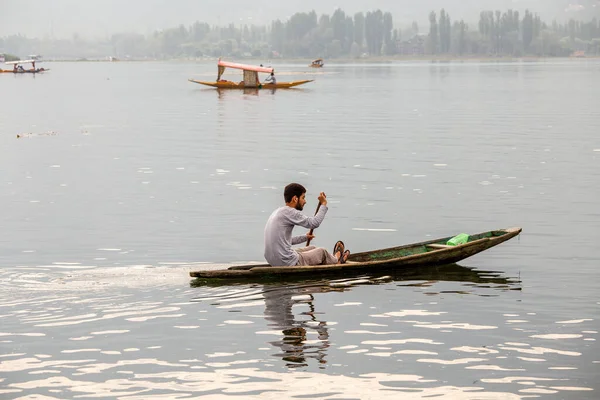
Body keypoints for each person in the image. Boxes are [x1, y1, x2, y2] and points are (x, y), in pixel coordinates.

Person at [264, 183, 349, 267]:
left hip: (273, 259)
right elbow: (314, 223)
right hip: (286, 261)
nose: (305, 201)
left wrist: (305, 237)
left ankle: (330, 259)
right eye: (303, 198)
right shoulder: (291, 212)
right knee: (322, 252)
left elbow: (285, 241)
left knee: (312, 248)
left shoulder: (278, 212)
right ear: (295, 199)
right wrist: (323, 204)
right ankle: (337, 260)